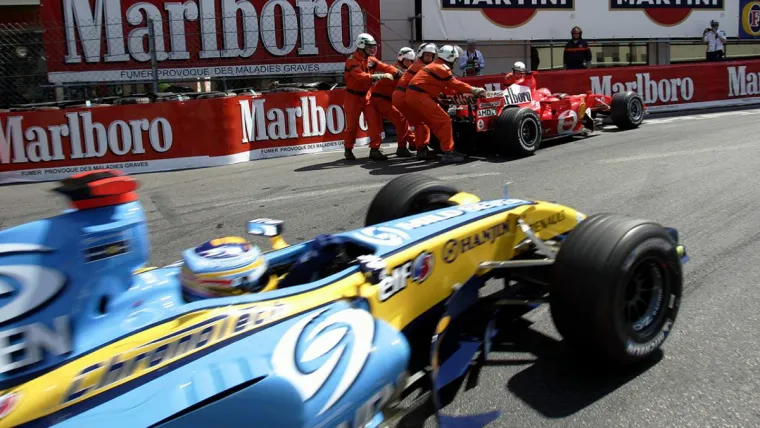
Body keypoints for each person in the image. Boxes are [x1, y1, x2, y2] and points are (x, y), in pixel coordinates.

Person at [406, 45, 486, 164]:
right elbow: (453, 83)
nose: (455, 61)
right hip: (420, 96)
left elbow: (445, 85)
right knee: (445, 121)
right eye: (455, 59)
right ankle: (448, 153)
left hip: (413, 96)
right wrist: (473, 90)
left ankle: (424, 150)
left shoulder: (434, 66)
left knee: (429, 123)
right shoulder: (441, 68)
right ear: (450, 57)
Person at [342, 33, 398, 161]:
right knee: (352, 126)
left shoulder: (371, 60)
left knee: (374, 122)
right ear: (361, 46)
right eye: (369, 47)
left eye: (373, 46)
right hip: (353, 97)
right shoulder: (352, 60)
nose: (372, 49)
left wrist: (397, 72)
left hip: (366, 96)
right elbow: (360, 77)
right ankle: (348, 148)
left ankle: (375, 149)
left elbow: (384, 66)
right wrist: (379, 76)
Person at [392, 42, 439, 159]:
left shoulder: (418, 65)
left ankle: (418, 147)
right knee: (423, 121)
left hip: (400, 96)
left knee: (418, 122)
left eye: (431, 55)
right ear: (422, 55)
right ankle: (422, 149)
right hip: (404, 96)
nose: (429, 58)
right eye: (427, 55)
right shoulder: (422, 67)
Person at [369, 47, 417, 157]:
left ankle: (413, 142)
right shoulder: (397, 72)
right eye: (408, 61)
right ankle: (402, 147)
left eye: (411, 61)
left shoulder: (398, 70)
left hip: (382, 99)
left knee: (400, 121)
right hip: (381, 100)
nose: (410, 63)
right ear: (402, 60)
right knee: (401, 120)